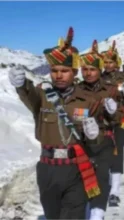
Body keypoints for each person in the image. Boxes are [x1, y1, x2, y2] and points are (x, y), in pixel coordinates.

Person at [9, 27, 103, 220]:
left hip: (76, 168)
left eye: (64, 71)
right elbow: (28, 93)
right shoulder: (42, 96)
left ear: (74, 72)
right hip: (48, 168)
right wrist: (21, 84)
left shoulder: (88, 100)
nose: (59, 75)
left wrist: (95, 136)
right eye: (54, 70)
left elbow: (97, 140)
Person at [78, 39, 124, 219]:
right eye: (85, 69)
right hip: (82, 140)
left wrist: (116, 110)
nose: (89, 73)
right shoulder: (77, 89)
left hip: (106, 136)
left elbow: (123, 107)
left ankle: (98, 212)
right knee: (82, 177)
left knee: (103, 171)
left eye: (93, 69)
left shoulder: (112, 88)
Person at [100, 41, 124, 206]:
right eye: (105, 62)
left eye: (110, 62)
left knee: (117, 153)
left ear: (116, 63)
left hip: (117, 120)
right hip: (101, 120)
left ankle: (115, 190)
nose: (108, 65)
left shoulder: (123, 78)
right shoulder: (98, 77)